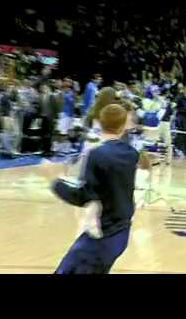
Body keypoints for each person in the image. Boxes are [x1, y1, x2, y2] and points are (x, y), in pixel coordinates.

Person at [54, 104, 139, 274]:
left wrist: (54, 182)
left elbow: (82, 196)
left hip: (101, 235)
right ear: (123, 126)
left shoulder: (97, 154)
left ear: (99, 122)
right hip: (121, 232)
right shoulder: (131, 153)